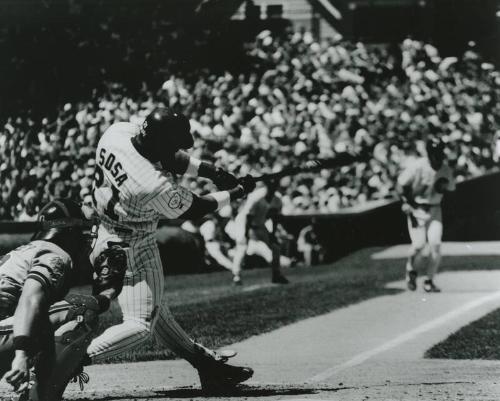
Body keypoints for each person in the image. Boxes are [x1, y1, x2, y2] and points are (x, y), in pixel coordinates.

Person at [85, 107, 255, 393]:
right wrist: (236, 193)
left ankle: (208, 367)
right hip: (132, 245)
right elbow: (196, 207)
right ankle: (69, 358)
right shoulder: (150, 184)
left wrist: (213, 172)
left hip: (102, 232)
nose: (177, 149)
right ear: (159, 142)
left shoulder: (117, 132)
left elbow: (168, 157)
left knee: (156, 311)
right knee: (140, 325)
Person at [0, 198, 127, 401]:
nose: (86, 236)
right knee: (81, 310)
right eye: (82, 230)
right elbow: (31, 299)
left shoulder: (25, 251)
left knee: (41, 321)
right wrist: (22, 354)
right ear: (69, 231)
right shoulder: (55, 254)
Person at [397, 138, 455, 292]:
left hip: (435, 208)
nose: (437, 157)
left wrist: (441, 187)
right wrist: (405, 202)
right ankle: (411, 270)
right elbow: (401, 184)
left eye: (439, 153)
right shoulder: (418, 165)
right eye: (434, 153)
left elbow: (450, 188)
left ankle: (429, 281)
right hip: (417, 208)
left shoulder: (445, 169)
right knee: (419, 245)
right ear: (429, 153)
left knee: (435, 244)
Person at [229, 180, 289, 285]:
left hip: (260, 225)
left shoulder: (277, 199)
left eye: (275, 184)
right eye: (271, 184)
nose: (273, 186)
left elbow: (275, 218)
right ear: (267, 185)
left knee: (275, 247)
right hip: (243, 223)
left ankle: (276, 274)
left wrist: (273, 234)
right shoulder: (257, 196)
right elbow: (248, 216)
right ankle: (236, 276)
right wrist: (246, 234)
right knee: (242, 247)